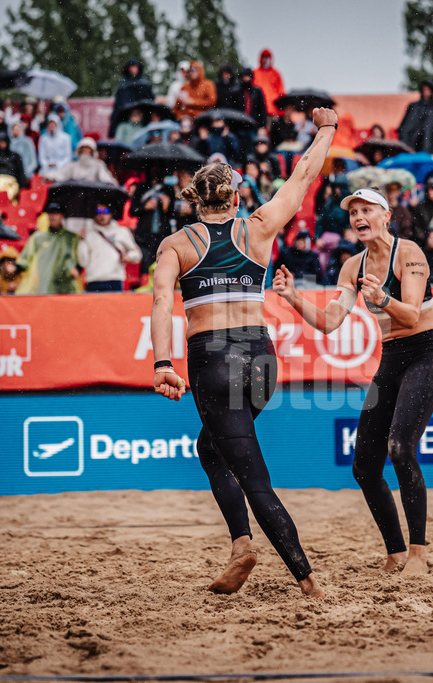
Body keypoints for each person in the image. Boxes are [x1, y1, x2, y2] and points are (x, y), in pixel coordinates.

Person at [149, 109, 338, 599]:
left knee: (253, 476)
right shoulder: (258, 227)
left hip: (213, 359)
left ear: (194, 200)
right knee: (211, 449)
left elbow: (161, 302)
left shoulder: (176, 244)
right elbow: (303, 174)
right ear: (235, 196)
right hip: (261, 358)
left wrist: (163, 363)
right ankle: (239, 548)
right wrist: (326, 129)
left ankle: (308, 583)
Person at [272, 185, 433, 577]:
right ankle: (396, 553)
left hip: (425, 356)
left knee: (400, 447)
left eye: (367, 210)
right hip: (391, 360)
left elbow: (413, 317)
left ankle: (418, 554)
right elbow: (330, 323)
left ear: (386, 216)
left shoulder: (411, 253)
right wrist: (294, 298)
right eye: (353, 213)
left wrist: (383, 299)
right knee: (365, 467)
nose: (358, 218)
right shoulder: (353, 266)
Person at [16, 202, 81, 294]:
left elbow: (77, 258)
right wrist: (16, 268)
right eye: (50, 213)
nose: (52, 216)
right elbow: (25, 259)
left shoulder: (71, 237)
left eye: (56, 213)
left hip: (65, 286)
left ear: (62, 216)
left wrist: (77, 268)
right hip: (43, 286)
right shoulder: (38, 237)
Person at [77, 203, 142, 292]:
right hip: (94, 281)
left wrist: (129, 257)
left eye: (106, 211)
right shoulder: (88, 234)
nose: (102, 215)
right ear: (93, 214)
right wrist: (82, 241)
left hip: (115, 280)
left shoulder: (121, 231)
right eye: (98, 211)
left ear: (111, 213)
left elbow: (137, 254)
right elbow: (83, 261)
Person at [398, 80, 433, 155]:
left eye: (428, 89)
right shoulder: (414, 107)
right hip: (413, 148)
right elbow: (405, 127)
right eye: (424, 89)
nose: (426, 92)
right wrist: (406, 146)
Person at [110, 59, 156, 137]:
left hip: (143, 117)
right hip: (126, 117)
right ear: (128, 68)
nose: (133, 69)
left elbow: (150, 99)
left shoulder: (144, 83)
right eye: (131, 67)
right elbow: (119, 103)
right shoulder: (123, 84)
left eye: (135, 67)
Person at [253, 48, 286, 117]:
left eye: (267, 57)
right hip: (258, 110)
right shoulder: (255, 73)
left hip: (273, 111)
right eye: (264, 57)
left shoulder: (276, 74)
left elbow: (281, 92)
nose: (265, 60)